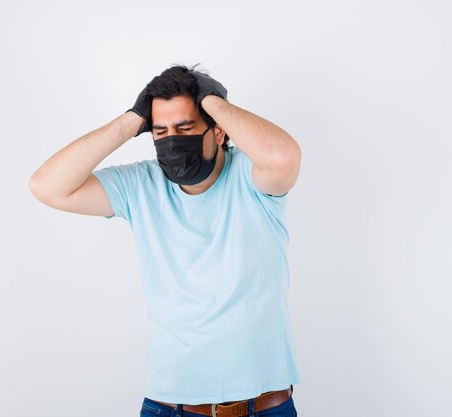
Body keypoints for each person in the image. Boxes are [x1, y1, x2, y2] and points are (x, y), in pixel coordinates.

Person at [29, 64, 302, 417]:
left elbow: (284, 157)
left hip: (266, 406)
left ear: (219, 131)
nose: (173, 140)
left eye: (185, 127)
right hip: (173, 407)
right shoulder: (142, 185)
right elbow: (46, 186)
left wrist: (212, 101)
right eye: (161, 131)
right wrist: (131, 119)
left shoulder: (253, 178)